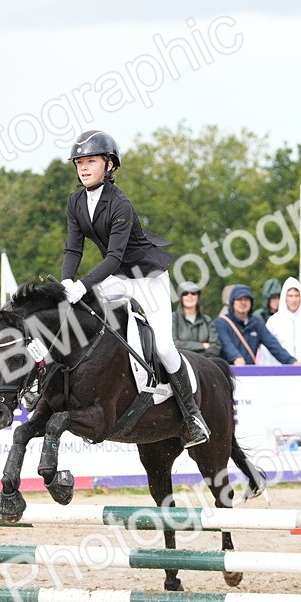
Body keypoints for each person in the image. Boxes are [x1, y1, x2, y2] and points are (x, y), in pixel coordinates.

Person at [58, 129, 209, 447]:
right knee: (74, 315)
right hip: (117, 280)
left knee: (165, 348)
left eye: (91, 161)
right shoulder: (75, 202)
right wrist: (66, 284)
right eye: (79, 162)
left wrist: (83, 285)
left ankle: (192, 416)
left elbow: (113, 258)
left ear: (109, 165)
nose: (83, 168)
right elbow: (73, 250)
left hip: (146, 279)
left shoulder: (120, 205)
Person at [215, 284, 301, 367]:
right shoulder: (222, 323)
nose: (243, 303)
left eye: (246, 299)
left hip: (250, 372)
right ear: (232, 302)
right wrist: (236, 358)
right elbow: (227, 344)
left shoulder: (256, 323)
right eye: (239, 299)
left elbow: (273, 345)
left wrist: (291, 361)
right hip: (227, 372)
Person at [260, 277, 301, 365]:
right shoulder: (273, 321)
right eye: (290, 296)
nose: (294, 299)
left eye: (297, 295)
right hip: (281, 373)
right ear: (284, 297)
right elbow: (266, 351)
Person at [171, 282, 220, 359]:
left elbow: (215, 348)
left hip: (205, 363)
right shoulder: (173, 318)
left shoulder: (207, 320)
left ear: (198, 296)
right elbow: (174, 344)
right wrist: (202, 345)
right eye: (185, 293)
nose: (189, 296)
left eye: (193, 293)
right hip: (181, 364)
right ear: (181, 297)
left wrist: (198, 357)